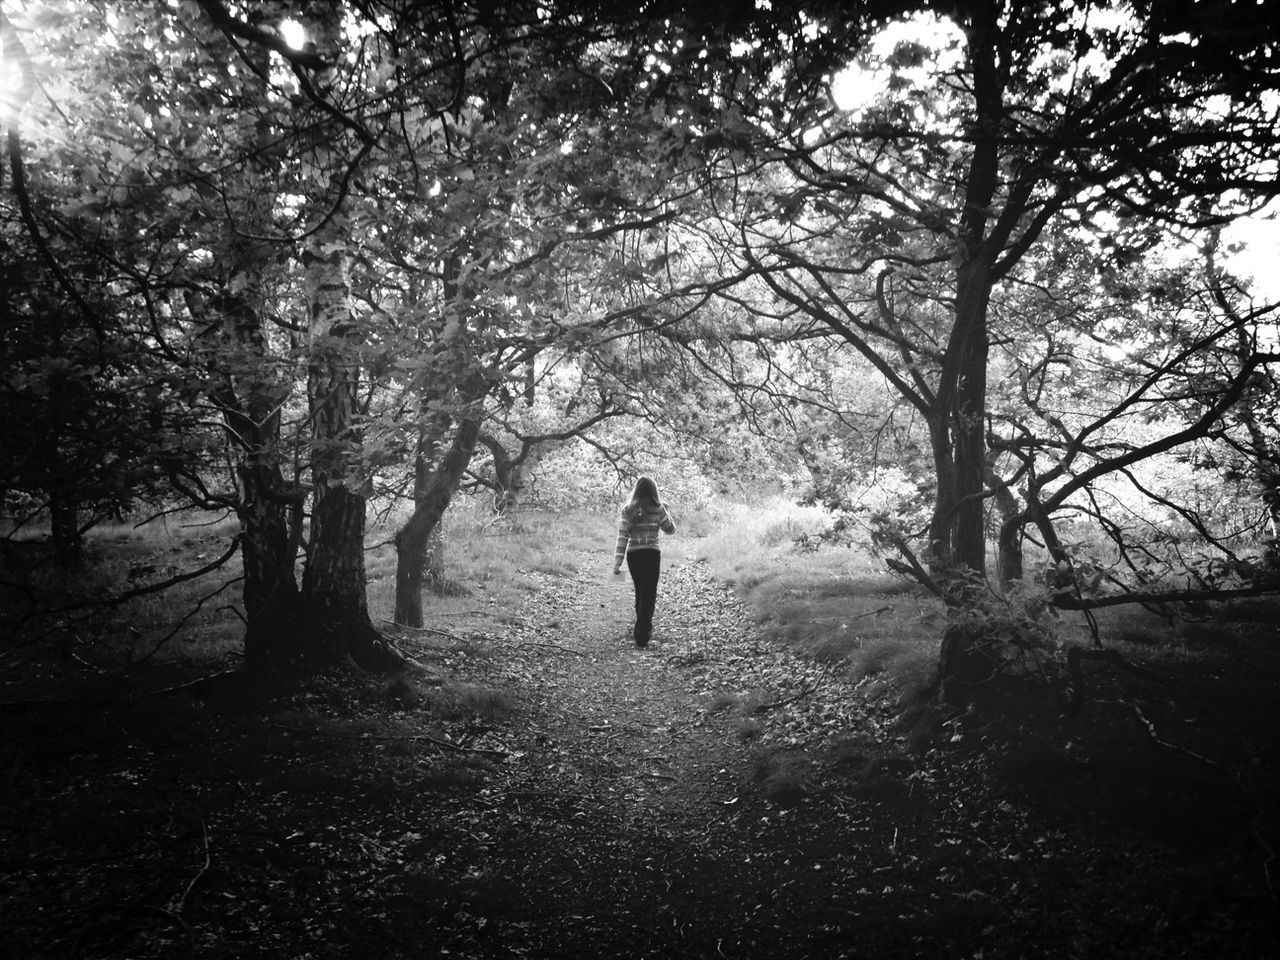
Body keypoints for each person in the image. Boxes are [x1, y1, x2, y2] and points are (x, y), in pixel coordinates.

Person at [612, 476, 676, 647]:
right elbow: (670, 530)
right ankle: (642, 634)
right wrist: (666, 512)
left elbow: (623, 535)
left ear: (637, 490)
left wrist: (618, 561)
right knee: (649, 594)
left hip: (634, 556)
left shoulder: (628, 510)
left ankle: (640, 630)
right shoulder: (658, 508)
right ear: (654, 491)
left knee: (640, 592)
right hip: (652, 554)